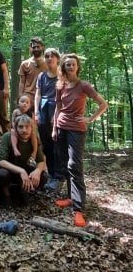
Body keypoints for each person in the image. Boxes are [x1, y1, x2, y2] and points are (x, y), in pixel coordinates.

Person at [52, 53, 108, 227]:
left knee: (74, 166)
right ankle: (70, 197)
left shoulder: (84, 85)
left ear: (77, 67)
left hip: (77, 130)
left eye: (73, 64)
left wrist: (90, 119)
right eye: (67, 64)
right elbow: (58, 107)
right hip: (61, 128)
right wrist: (54, 127)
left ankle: (79, 209)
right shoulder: (60, 85)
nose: (70, 67)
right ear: (63, 67)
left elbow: (103, 104)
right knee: (64, 165)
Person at [0, 114, 47, 206]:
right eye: (20, 127)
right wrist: (21, 171)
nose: (24, 130)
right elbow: (1, 161)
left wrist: (38, 171)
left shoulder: (34, 139)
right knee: (1, 174)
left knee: (43, 176)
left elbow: (41, 161)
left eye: (27, 127)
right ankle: (6, 194)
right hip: (11, 171)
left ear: (31, 128)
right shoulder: (7, 137)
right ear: (15, 128)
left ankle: (26, 191)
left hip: (27, 171)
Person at [34, 48, 60, 190]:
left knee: (57, 143)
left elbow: (63, 97)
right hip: (43, 110)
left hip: (57, 109)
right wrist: (37, 112)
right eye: (47, 56)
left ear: (57, 58)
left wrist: (56, 115)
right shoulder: (42, 76)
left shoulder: (62, 76)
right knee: (47, 143)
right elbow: (38, 95)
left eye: (52, 56)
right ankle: (52, 174)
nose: (49, 58)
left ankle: (60, 175)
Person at [10, 95, 38, 167]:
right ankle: (15, 149)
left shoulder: (31, 113)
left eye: (27, 102)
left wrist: (32, 131)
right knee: (12, 132)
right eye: (22, 102)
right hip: (17, 129)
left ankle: (34, 152)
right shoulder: (16, 111)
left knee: (34, 134)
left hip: (28, 131)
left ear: (30, 105)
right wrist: (15, 129)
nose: (24, 103)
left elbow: (33, 124)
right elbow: (13, 121)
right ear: (18, 103)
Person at [18, 37, 47, 105]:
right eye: (34, 47)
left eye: (38, 47)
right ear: (31, 48)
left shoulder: (48, 63)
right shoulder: (25, 64)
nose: (36, 49)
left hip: (43, 96)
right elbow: (22, 82)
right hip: (28, 97)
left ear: (42, 47)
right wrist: (20, 96)